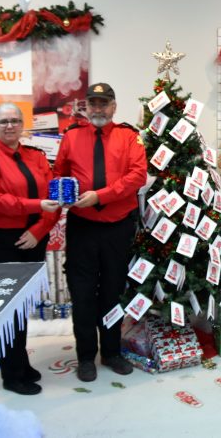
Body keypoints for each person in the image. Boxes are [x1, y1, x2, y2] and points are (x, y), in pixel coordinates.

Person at [54, 83, 147, 382]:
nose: (98, 108)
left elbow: (137, 176)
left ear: (114, 106)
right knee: (82, 296)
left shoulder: (129, 136)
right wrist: (62, 192)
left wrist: (101, 195)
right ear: (86, 107)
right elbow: (59, 173)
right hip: (81, 228)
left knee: (112, 293)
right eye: (93, 103)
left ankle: (111, 352)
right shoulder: (71, 137)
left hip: (117, 228)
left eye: (103, 103)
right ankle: (85, 357)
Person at [0, 102, 60, 395]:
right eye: (3, 121)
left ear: (22, 125)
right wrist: (36, 207)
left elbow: (53, 195)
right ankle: (11, 373)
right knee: (7, 309)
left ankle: (19, 361)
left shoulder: (35, 156)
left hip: (31, 236)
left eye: (15, 120)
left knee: (23, 305)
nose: (9, 126)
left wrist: (38, 229)